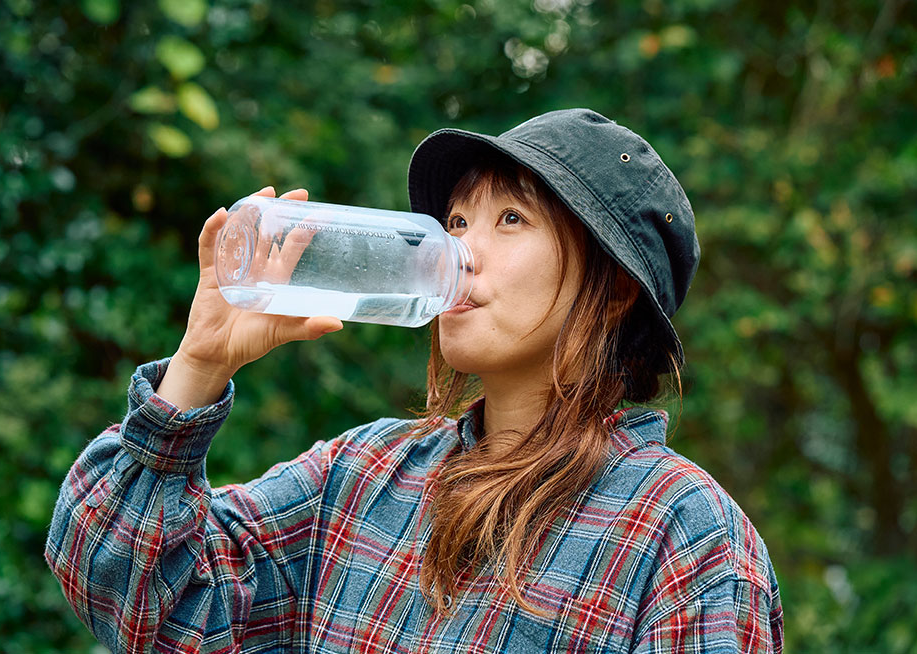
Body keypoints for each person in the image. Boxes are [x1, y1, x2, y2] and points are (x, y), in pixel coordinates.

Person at [46, 109, 783, 653]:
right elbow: (132, 592)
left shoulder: (683, 536)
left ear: (615, 287)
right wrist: (199, 365)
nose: (460, 251)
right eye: (457, 220)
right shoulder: (364, 476)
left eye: (511, 218)